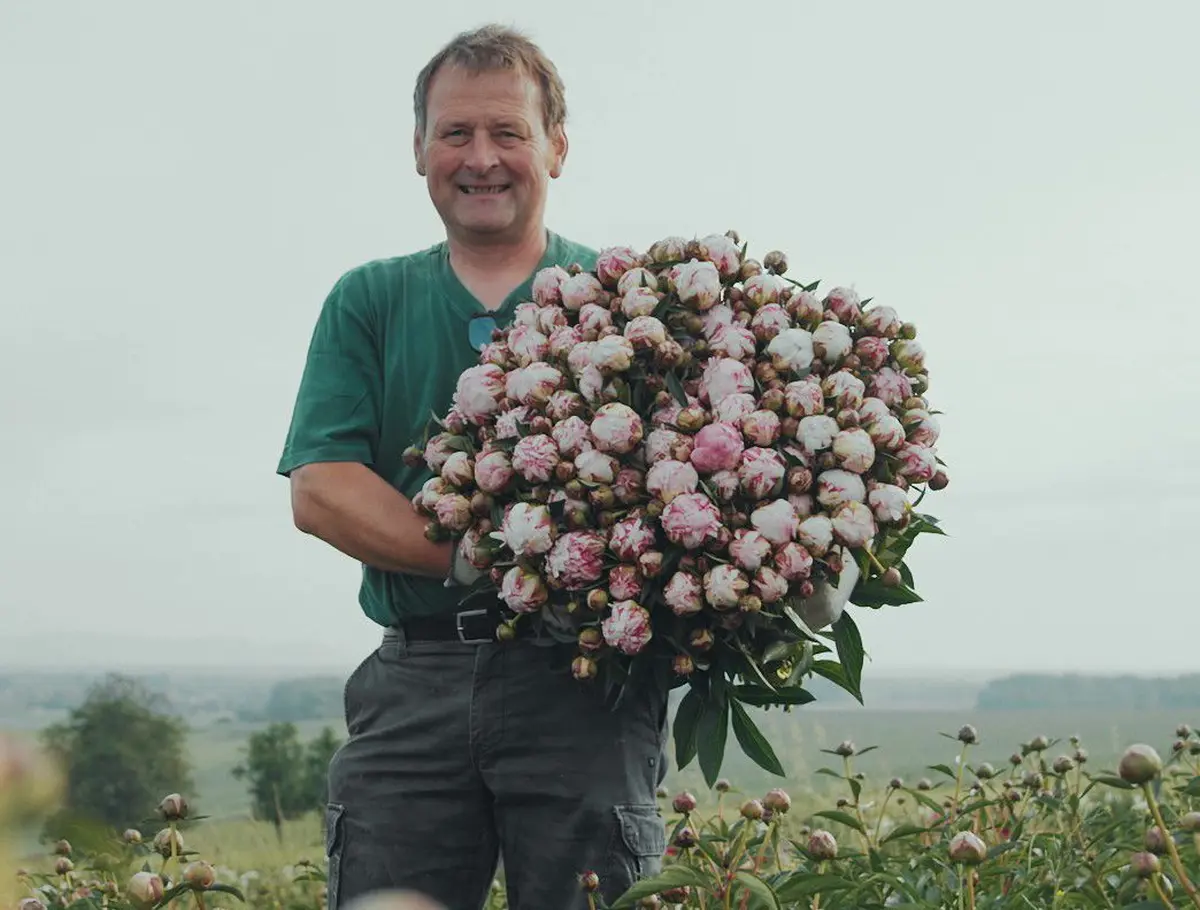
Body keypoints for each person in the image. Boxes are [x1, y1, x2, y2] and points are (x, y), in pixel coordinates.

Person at [276, 24, 670, 910]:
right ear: (418, 149)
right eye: (455, 133)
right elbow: (322, 489)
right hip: (417, 678)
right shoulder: (369, 300)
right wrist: (487, 561)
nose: (481, 158)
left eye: (508, 133)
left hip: (584, 682)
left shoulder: (631, 301)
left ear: (557, 148)